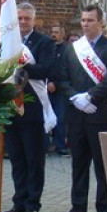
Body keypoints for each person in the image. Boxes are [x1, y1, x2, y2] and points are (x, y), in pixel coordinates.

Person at [56, 4, 107, 212]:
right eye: (83, 20)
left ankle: (105, 210)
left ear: (100, 22)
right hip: (77, 116)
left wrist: (90, 97)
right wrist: (75, 98)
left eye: (90, 20)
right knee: (79, 164)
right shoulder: (72, 49)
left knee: (102, 165)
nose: (85, 24)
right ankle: (77, 208)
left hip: (101, 113)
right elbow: (62, 78)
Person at [1, 2, 56, 212]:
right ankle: (18, 202)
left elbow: (47, 69)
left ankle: (33, 204)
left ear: (34, 20)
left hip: (33, 109)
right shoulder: (7, 41)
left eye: (27, 18)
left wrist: (21, 66)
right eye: (20, 18)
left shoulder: (44, 42)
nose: (23, 22)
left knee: (34, 160)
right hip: (11, 109)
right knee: (16, 159)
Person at [46, 24, 69, 155]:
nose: (53, 34)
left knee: (59, 118)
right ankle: (45, 145)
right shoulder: (47, 47)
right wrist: (48, 82)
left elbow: (64, 70)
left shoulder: (66, 49)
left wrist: (55, 83)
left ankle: (60, 145)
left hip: (59, 89)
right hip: (45, 87)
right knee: (45, 116)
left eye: (56, 32)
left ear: (62, 34)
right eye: (52, 32)